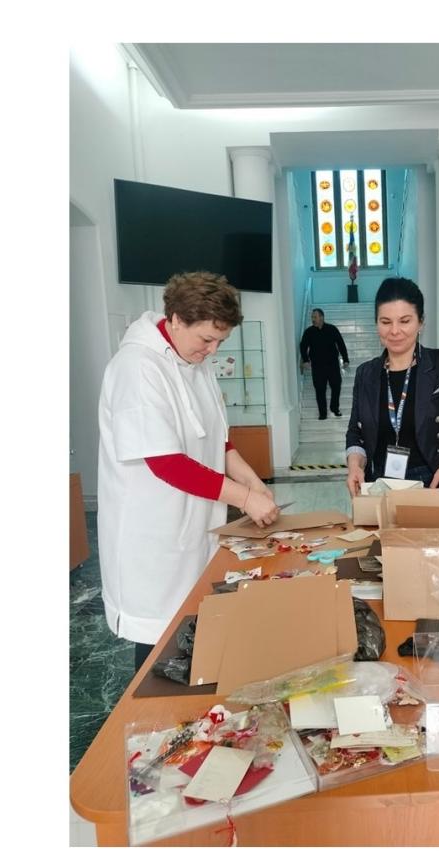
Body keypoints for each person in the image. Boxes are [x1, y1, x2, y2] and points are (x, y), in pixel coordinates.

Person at [97, 272, 280, 672]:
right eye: (207, 339)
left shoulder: (195, 361)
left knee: (194, 633)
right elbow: (167, 463)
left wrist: (252, 480)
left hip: (196, 525)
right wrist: (245, 499)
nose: (212, 351)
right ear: (177, 319)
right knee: (159, 646)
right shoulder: (137, 367)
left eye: (220, 342)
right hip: (154, 536)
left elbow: (217, 440)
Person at [345, 277, 439, 496]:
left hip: (432, 478)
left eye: (405, 321)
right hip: (379, 481)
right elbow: (356, 433)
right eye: (385, 322)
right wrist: (355, 466)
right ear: (376, 323)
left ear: (421, 322)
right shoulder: (366, 373)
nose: (395, 331)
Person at [299, 307, 349, 419]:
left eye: (315, 317)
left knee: (336, 385)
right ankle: (322, 413)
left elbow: (340, 344)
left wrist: (345, 359)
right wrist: (305, 360)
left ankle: (334, 408)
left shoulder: (332, 329)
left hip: (332, 364)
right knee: (319, 389)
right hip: (317, 366)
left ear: (322, 317)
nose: (313, 319)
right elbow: (303, 346)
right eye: (312, 317)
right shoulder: (309, 332)